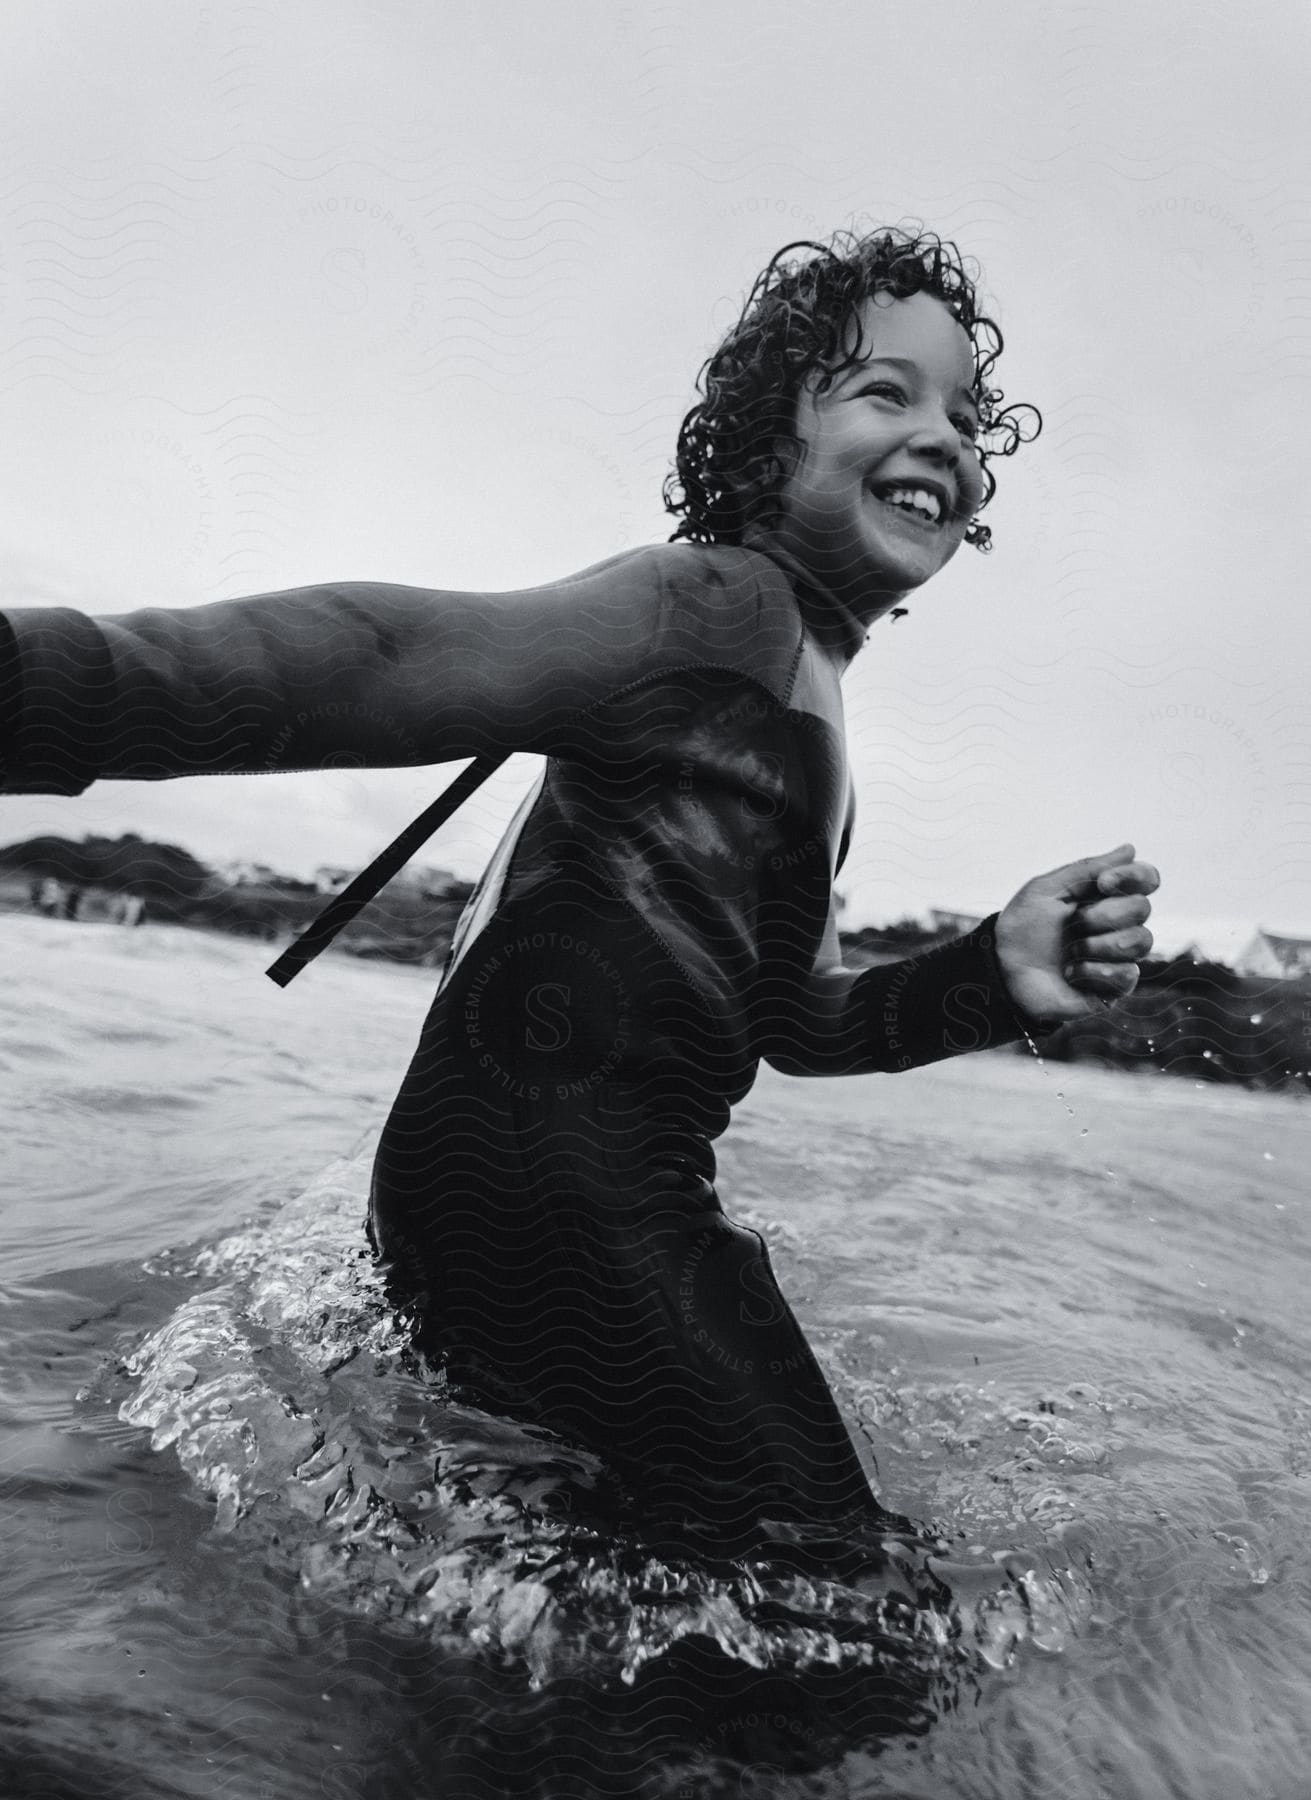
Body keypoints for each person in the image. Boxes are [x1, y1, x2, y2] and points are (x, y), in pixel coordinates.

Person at [0, 227, 1157, 1549]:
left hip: (508, 1210)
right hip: (576, 1207)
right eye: (886, 393)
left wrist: (987, 975)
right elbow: (375, 658)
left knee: (624, 1585)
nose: (943, 436)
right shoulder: (716, 608)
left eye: (964, 411)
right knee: (845, 1614)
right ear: (760, 443)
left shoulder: (800, 699)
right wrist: (39, 689)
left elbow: (795, 1021)